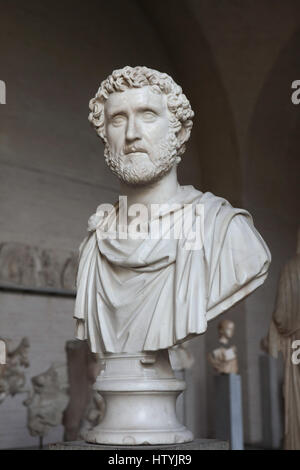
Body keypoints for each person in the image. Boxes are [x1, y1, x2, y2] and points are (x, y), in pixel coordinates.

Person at [74, 66, 271, 355]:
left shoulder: (224, 232)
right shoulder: (93, 246)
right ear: (105, 136)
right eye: (118, 119)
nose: (132, 134)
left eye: (148, 115)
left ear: (180, 132)